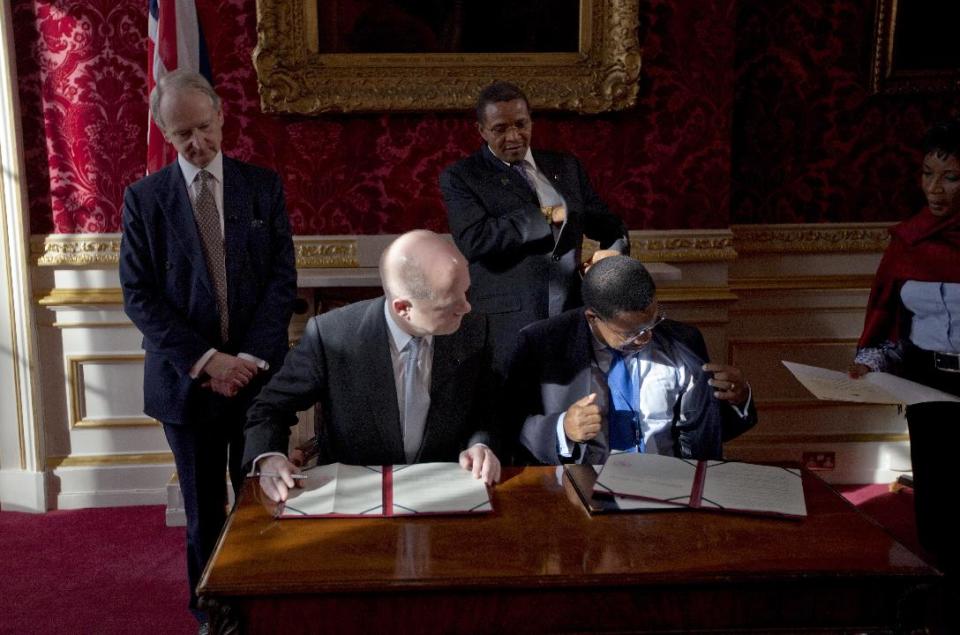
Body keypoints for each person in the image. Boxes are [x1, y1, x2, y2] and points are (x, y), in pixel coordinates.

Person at [119, 70, 296, 626]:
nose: (196, 143)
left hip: (256, 379)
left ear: (221, 114)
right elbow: (139, 296)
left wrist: (246, 362)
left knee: (261, 497)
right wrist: (208, 361)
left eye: (202, 127)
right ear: (164, 134)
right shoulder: (144, 200)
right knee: (203, 511)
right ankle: (211, 611)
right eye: (181, 135)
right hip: (185, 382)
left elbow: (281, 283)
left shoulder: (262, 186)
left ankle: (262, 595)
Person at [244, 230, 502, 502]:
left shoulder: (473, 331)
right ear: (403, 307)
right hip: (354, 497)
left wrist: (481, 444)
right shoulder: (332, 336)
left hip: (443, 494)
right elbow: (269, 409)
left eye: (465, 291)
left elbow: (486, 408)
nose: (467, 307)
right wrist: (269, 459)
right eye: (451, 304)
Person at [440, 81, 629, 370]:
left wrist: (614, 254)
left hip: (570, 316)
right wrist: (543, 216)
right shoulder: (463, 176)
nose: (514, 136)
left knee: (573, 410)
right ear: (481, 130)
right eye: (500, 129)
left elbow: (608, 224)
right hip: (506, 325)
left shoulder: (566, 167)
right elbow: (475, 240)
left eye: (521, 124)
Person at [506, 255, 756, 465]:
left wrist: (739, 399)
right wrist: (563, 429)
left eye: (652, 321)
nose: (646, 336)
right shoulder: (542, 343)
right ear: (593, 317)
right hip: (583, 489)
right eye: (630, 332)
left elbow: (706, 434)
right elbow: (510, 425)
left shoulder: (684, 341)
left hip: (670, 486)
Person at [849, 119, 960, 574]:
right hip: (926, 378)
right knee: (935, 483)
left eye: (951, 177)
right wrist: (872, 360)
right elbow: (888, 317)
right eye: (927, 174)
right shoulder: (906, 241)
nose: (935, 189)